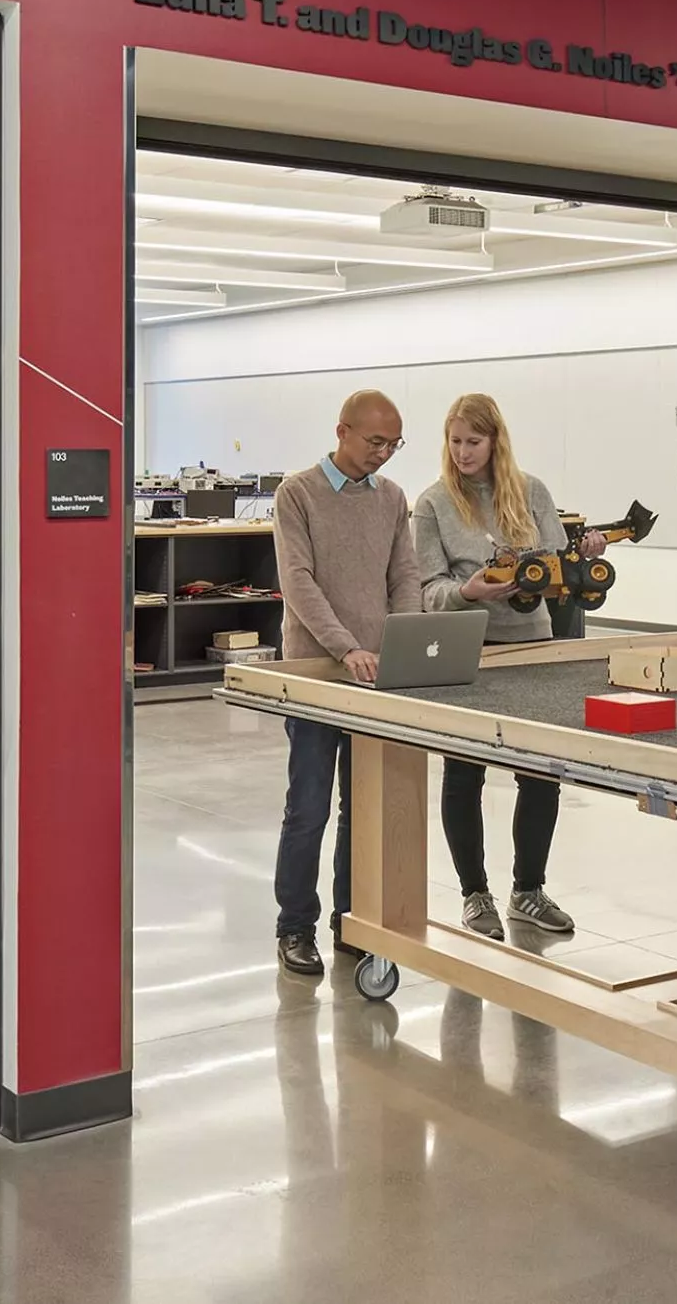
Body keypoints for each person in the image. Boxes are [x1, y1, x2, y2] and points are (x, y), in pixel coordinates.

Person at [412, 393, 593, 940]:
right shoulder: (433, 503)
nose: (462, 452)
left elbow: (561, 574)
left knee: (540, 772)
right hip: (469, 650)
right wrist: (466, 592)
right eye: (454, 441)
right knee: (464, 771)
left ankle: (528, 892)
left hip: (533, 648)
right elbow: (427, 590)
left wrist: (585, 559)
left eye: (473, 441)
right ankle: (474, 895)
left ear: (495, 442)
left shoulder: (532, 493)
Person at [271, 389, 423, 978]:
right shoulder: (298, 493)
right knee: (308, 808)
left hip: (378, 678)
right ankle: (295, 927)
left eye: (393, 444)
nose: (383, 455)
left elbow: (404, 575)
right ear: (343, 431)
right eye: (374, 442)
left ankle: (350, 922)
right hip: (317, 674)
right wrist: (347, 647)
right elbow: (299, 582)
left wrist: (402, 643)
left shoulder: (392, 499)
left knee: (365, 807)